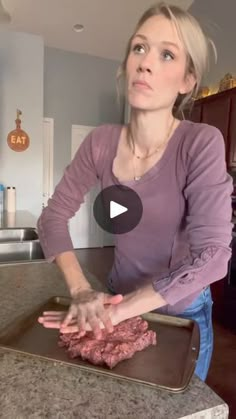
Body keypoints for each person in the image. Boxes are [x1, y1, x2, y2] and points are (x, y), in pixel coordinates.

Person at [37, 2, 233, 382]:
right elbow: (53, 216)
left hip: (181, 315)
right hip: (115, 300)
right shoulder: (100, 143)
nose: (146, 63)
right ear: (127, 63)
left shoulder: (200, 142)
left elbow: (213, 257)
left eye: (167, 54)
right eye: (139, 48)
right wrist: (80, 290)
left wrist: (119, 311)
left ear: (186, 81)